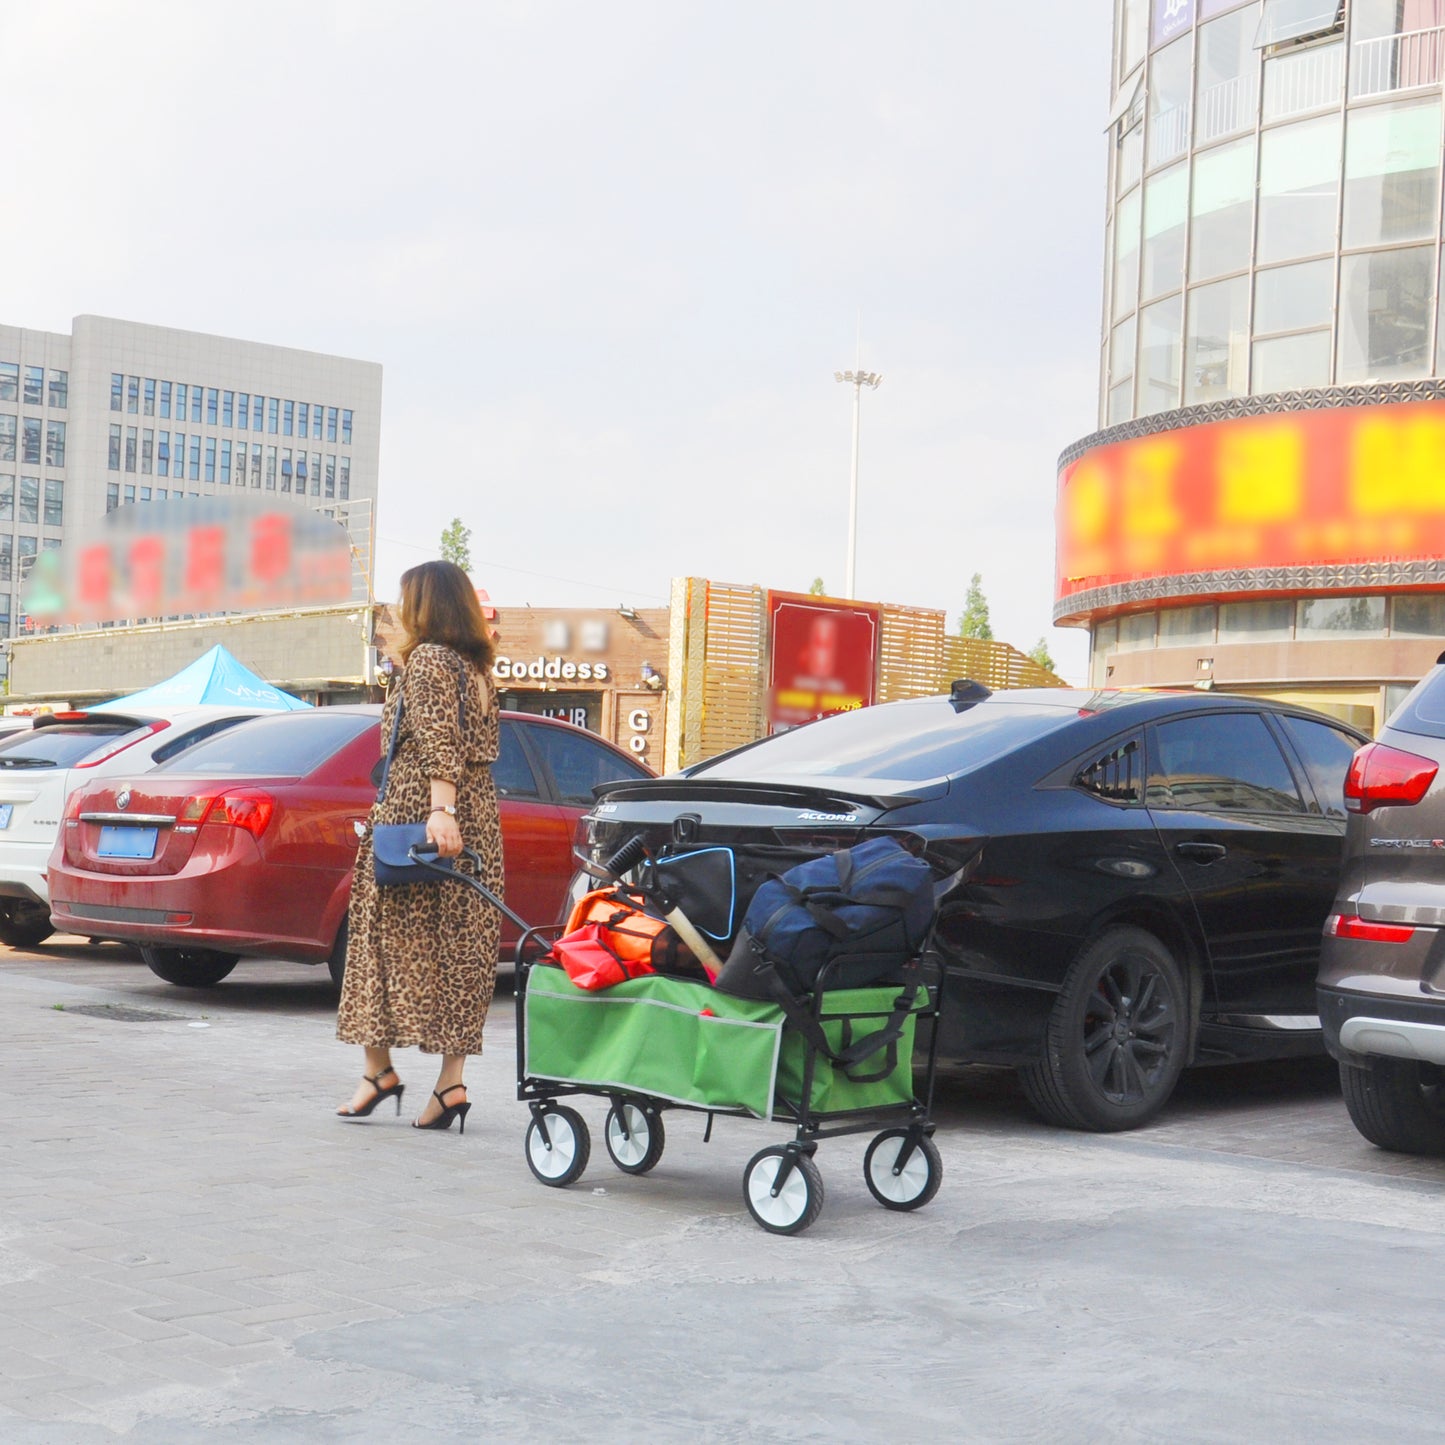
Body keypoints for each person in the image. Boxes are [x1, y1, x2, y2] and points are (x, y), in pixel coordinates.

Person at [335, 559, 504, 1132]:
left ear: (425, 604)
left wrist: (440, 809)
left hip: (419, 816)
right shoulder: (475, 665)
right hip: (477, 814)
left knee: (377, 940)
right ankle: (449, 1083)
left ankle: (378, 1072)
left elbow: (438, 739)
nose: (397, 611)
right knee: (462, 950)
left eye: (405, 600)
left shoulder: (431, 659)